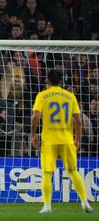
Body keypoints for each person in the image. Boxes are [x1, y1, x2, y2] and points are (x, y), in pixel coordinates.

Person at [31, 70, 93, 213]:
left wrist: (33, 134)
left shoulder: (42, 96)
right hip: (66, 139)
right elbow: (78, 120)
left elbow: (35, 116)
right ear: (61, 82)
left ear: (47, 81)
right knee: (73, 171)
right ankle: (85, 203)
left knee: (47, 173)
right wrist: (77, 139)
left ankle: (47, 206)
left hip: (49, 140)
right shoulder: (70, 96)